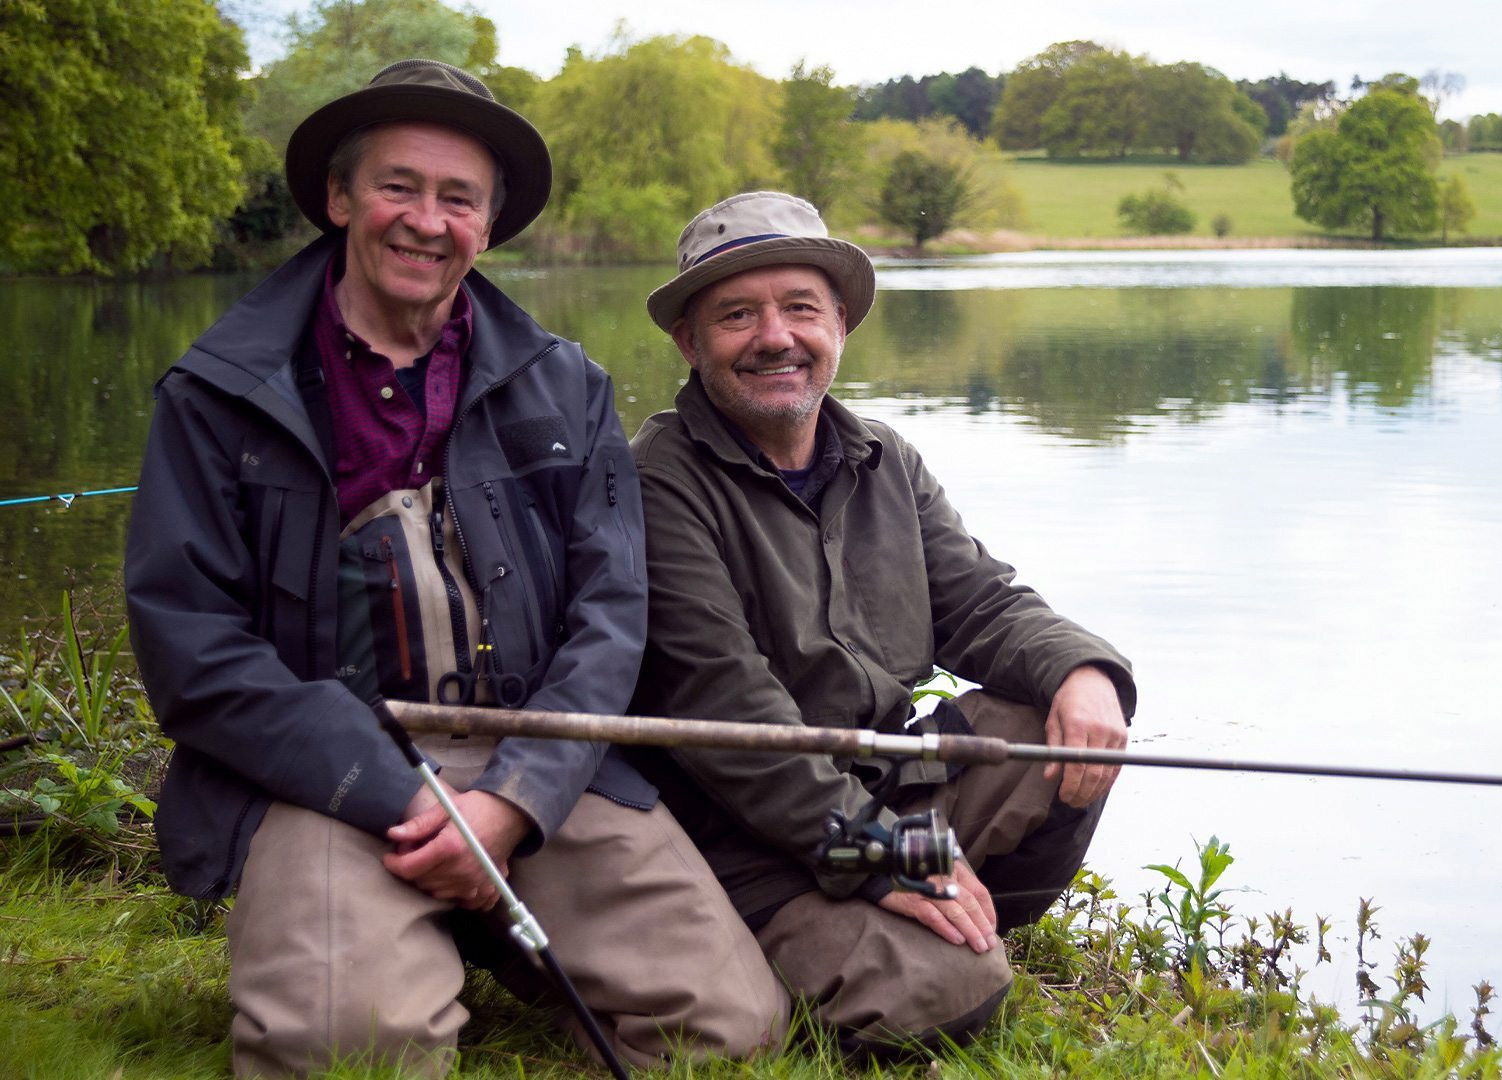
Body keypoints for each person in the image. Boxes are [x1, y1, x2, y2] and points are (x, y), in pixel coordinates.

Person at [124, 61, 784, 1078]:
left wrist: (515, 802)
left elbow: (612, 617)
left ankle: (486, 932)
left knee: (731, 1033)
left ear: (489, 223)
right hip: (330, 775)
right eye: (398, 186)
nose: (425, 221)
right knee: (351, 1053)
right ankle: (408, 937)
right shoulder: (216, 393)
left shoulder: (568, 384)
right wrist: (398, 790)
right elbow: (192, 649)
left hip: (540, 761)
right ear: (340, 197)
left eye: (458, 198)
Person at [629, 191, 1137, 1056]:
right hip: (744, 836)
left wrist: (1082, 670)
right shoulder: (655, 478)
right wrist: (878, 853)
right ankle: (795, 949)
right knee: (951, 996)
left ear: (840, 325)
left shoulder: (885, 456)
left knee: (1062, 733)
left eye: (800, 308)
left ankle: (947, 918)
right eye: (737, 315)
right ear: (689, 341)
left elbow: (980, 602)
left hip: (885, 786)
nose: (775, 336)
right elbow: (730, 716)